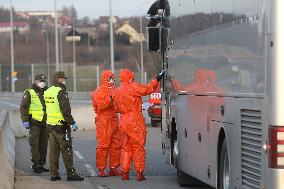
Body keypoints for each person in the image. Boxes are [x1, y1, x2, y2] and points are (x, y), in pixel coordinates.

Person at [113, 69, 165, 181]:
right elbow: (148, 89)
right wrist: (157, 79)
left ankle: (125, 173)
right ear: (130, 77)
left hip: (123, 120)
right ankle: (139, 173)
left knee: (126, 147)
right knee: (138, 147)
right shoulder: (133, 87)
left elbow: (116, 108)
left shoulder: (117, 91)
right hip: (135, 120)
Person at [44, 71, 84, 181]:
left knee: (53, 151)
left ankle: (53, 174)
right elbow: (66, 111)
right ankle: (71, 174)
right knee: (67, 149)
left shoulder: (48, 91)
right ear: (58, 79)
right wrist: (72, 123)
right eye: (62, 79)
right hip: (61, 126)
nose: (64, 80)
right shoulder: (61, 92)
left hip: (50, 125)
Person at [91, 70, 122, 177]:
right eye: (110, 78)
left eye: (113, 78)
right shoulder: (98, 92)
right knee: (103, 146)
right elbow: (101, 105)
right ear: (105, 79)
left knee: (117, 145)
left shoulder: (115, 90)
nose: (112, 80)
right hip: (103, 121)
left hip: (114, 120)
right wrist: (111, 98)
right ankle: (101, 169)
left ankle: (113, 168)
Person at [20, 74, 49, 173]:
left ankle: (41, 164)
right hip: (34, 123)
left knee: (43, 145)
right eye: (40, 81)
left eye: (44, 81)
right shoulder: (29, 92)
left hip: (45, 123)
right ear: (35, 81)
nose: (42, 83)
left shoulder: (47, 91)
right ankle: (35, 165)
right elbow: (24, 107)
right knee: (35, 145)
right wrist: (25, 120)